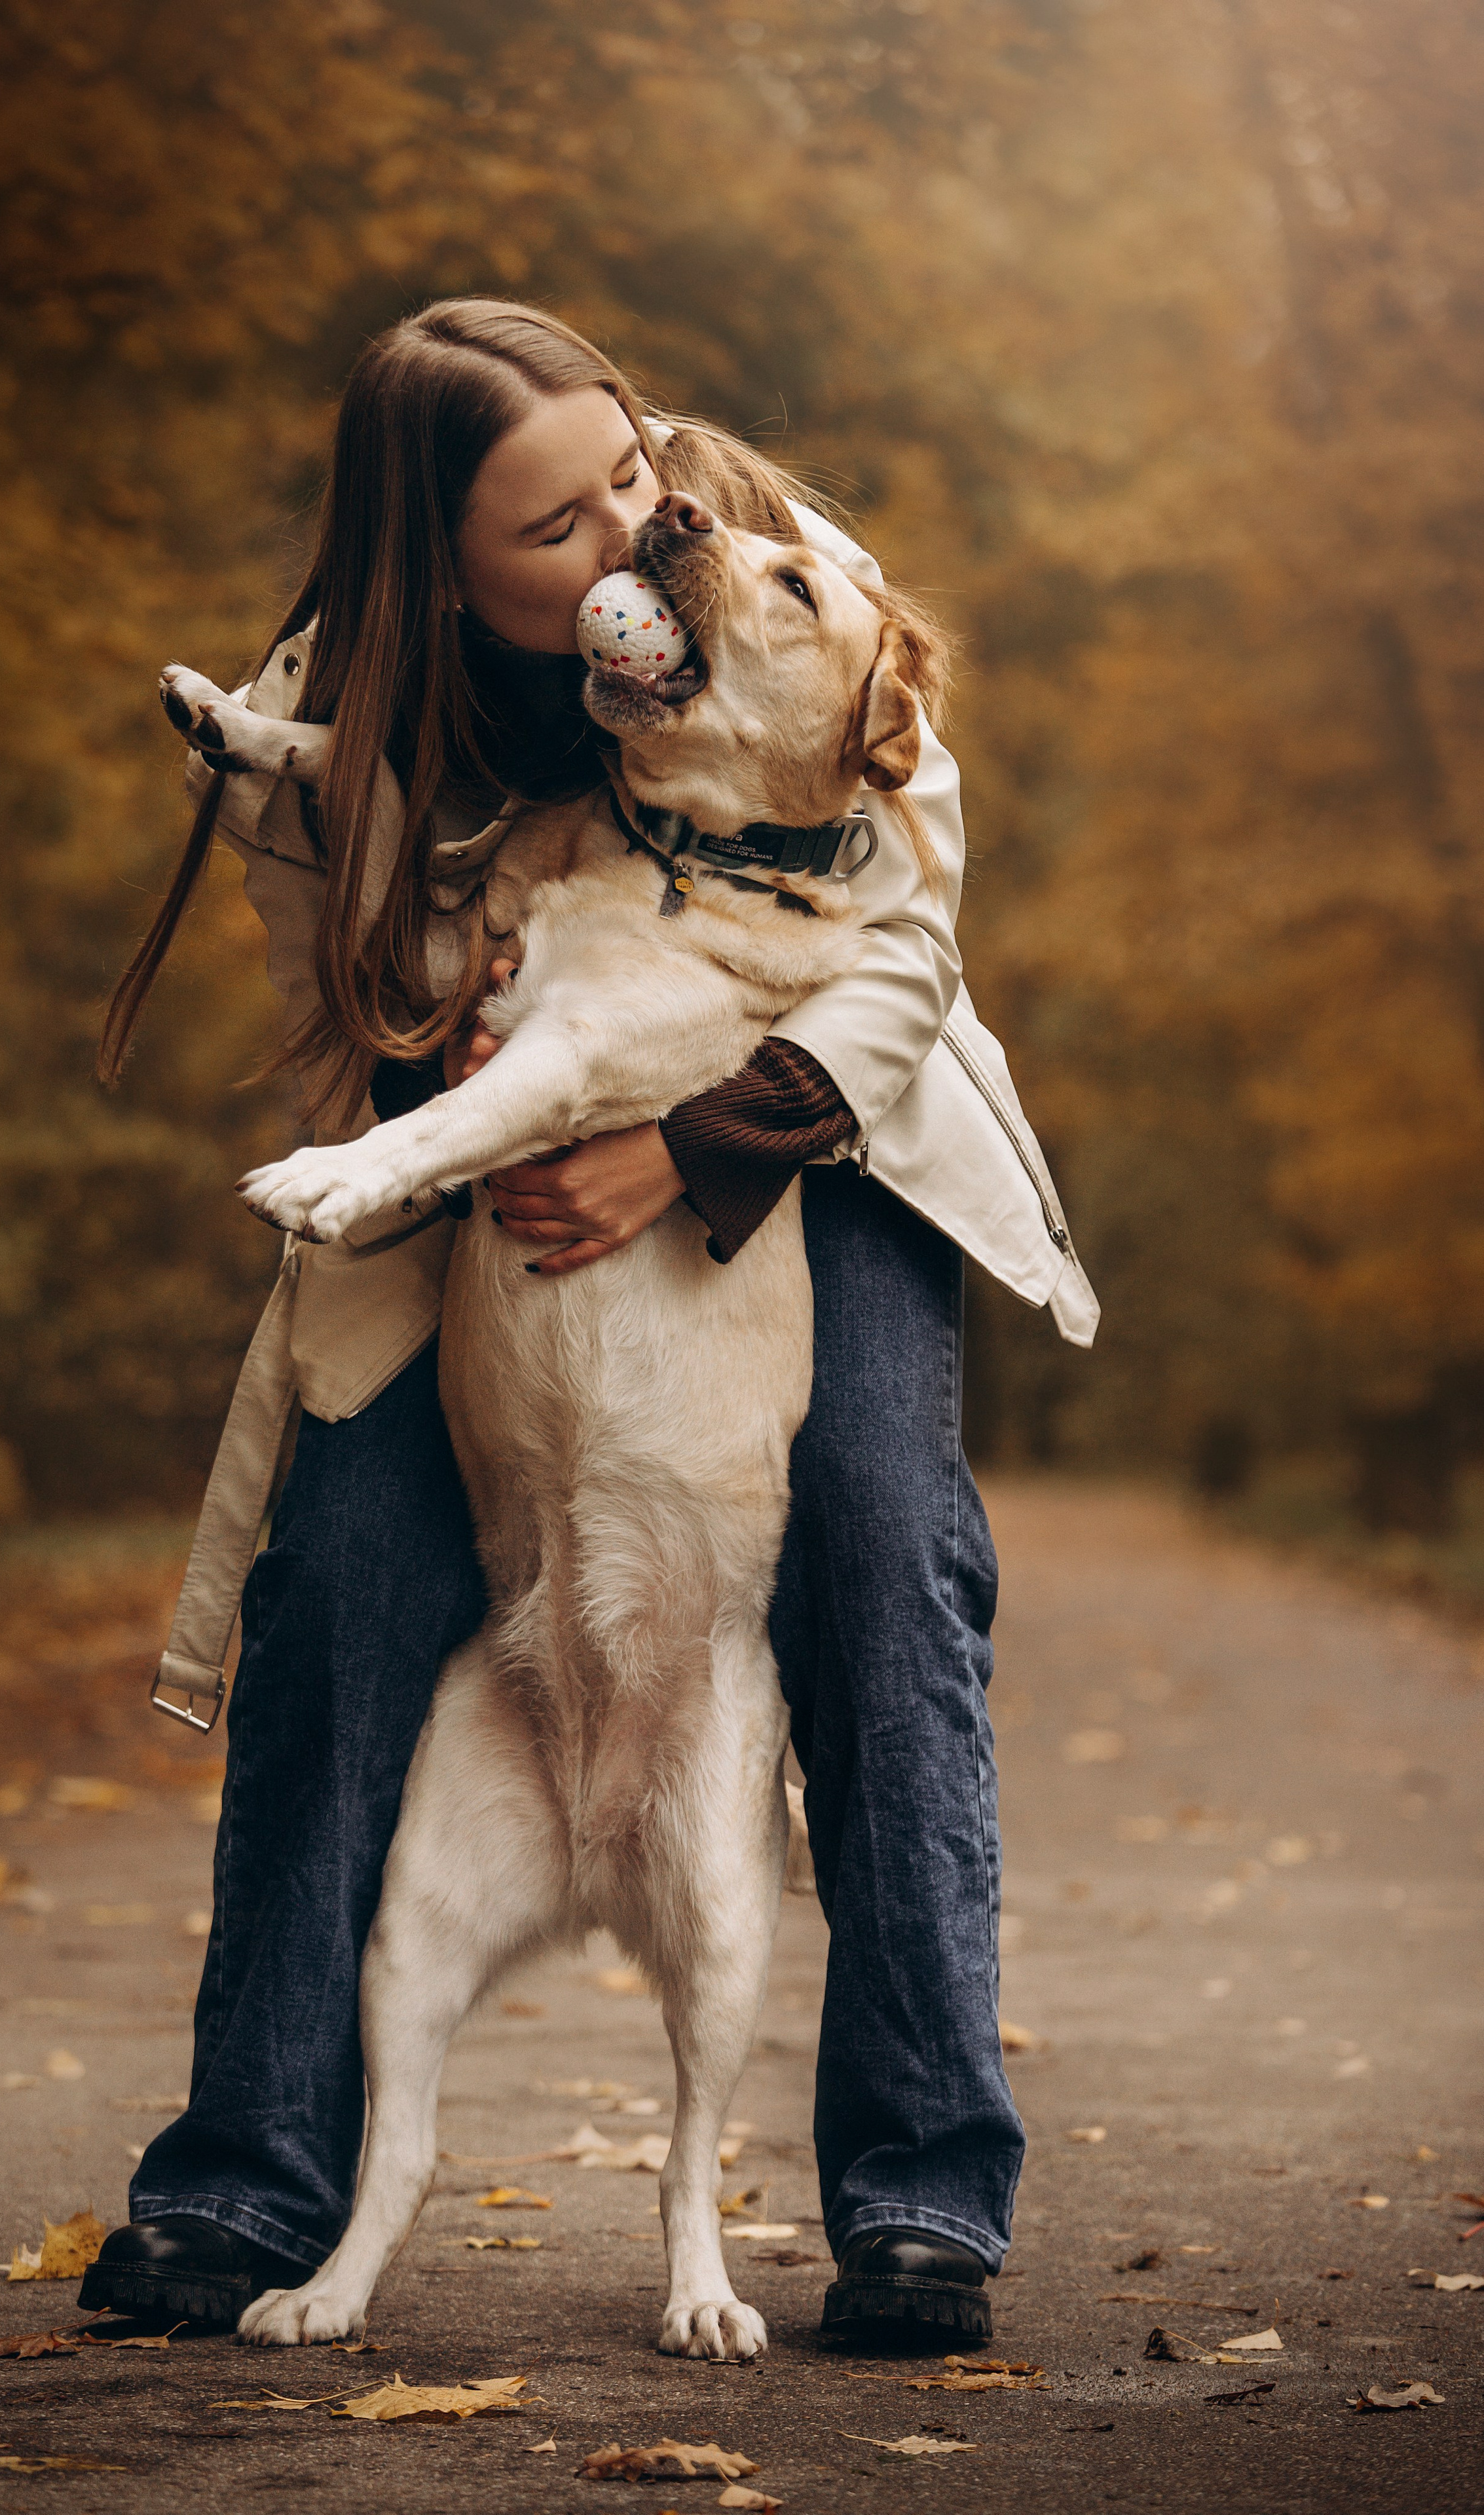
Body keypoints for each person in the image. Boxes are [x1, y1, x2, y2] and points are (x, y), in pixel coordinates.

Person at [81, 298, 1097, 2351]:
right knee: (344, 1573)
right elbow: (336, 1033)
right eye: (553, 531)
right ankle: (249, 2179)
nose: (628, 536)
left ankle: (919, 2198)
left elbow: (907, 932)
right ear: (436, 574)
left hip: (821, 1126)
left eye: (626, 469)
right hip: (486, 1161)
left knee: (891, 1542)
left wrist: (698, 1148)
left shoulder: (779, 569)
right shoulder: (326, 717)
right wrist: (425, 1048)